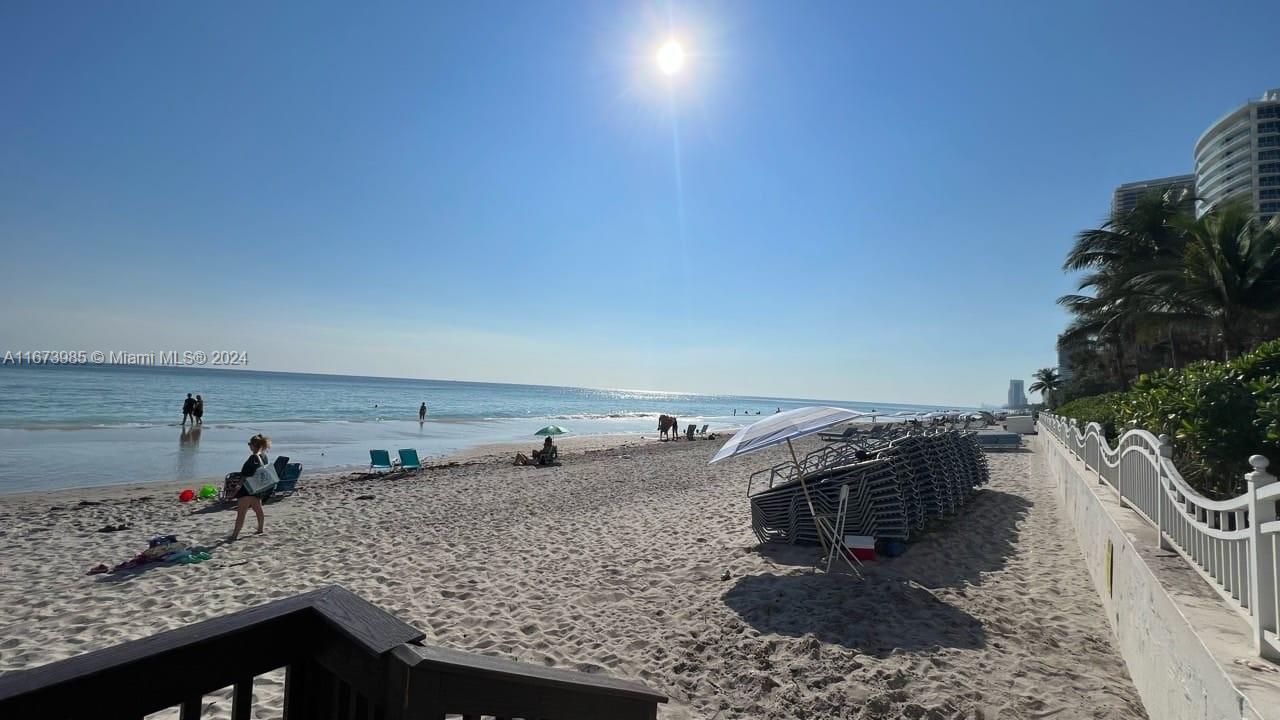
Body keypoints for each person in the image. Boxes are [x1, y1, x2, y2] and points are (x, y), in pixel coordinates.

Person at [230, 434, 270, 540]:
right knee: (258, 510)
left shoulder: (253, 458)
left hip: (247, 489)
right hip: (257, 488)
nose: (249, 446)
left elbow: (245, 475)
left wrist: (236, 489)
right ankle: (260, 529)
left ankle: (234, 535)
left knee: (241, 513)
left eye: (249, 444)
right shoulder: (264, 456)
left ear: (253, 445)